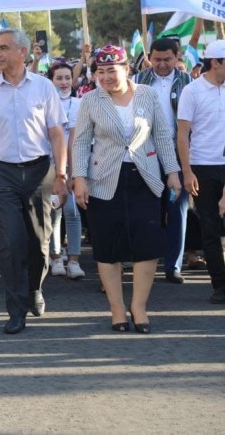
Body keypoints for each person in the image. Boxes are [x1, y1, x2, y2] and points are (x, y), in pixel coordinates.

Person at [72, 46, 181, 332]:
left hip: (144, 177)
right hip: (104, 180)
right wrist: (79, 178)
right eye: (100, 72)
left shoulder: (147, 94)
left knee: (147, 245)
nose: (106, 77)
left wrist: (172, 172)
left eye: (112, 70)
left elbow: (161, 135)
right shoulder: (90, 100)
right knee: (108, 247)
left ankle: (139, 307)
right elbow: (81, 142)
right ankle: (117, 309)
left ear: (126, 69)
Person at [0, 28, 68, 335]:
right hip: (1, 172)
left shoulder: (43, 87)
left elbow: (56, 134)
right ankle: (15, 309)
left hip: (39, 171)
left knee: (38, 242)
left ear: (22, 52)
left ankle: (34, 289)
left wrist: (62, 175)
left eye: (3, 48)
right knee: (10, 243)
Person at [134, 38, 192, 284]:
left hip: (178, 152)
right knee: (147, 209)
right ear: (150, 57)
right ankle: (146, 260)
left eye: (167, 59)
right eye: (157, 59)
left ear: (177, 56)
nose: (162, 65)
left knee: (177, 209)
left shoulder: (188, 83)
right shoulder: (137, 81)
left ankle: (173, 265)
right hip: (146, 152)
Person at [176, 40, 225, 305]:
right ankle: (220, 285)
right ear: (215, 62)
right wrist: (187, 171)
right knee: (210, 228)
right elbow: (182, 134)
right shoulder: (192, 92)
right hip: (203, 167)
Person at [46, 62, 85, 280]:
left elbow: (74, 140)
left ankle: (74, 260)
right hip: (49, 166)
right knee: (54, 211)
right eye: (59, 78)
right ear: (51, 81)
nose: (64, 82)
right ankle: (56, 257)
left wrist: (71, 171)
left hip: (72, 165)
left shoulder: (78, 104)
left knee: (72, 211)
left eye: (67, 78)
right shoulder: (45, 103)